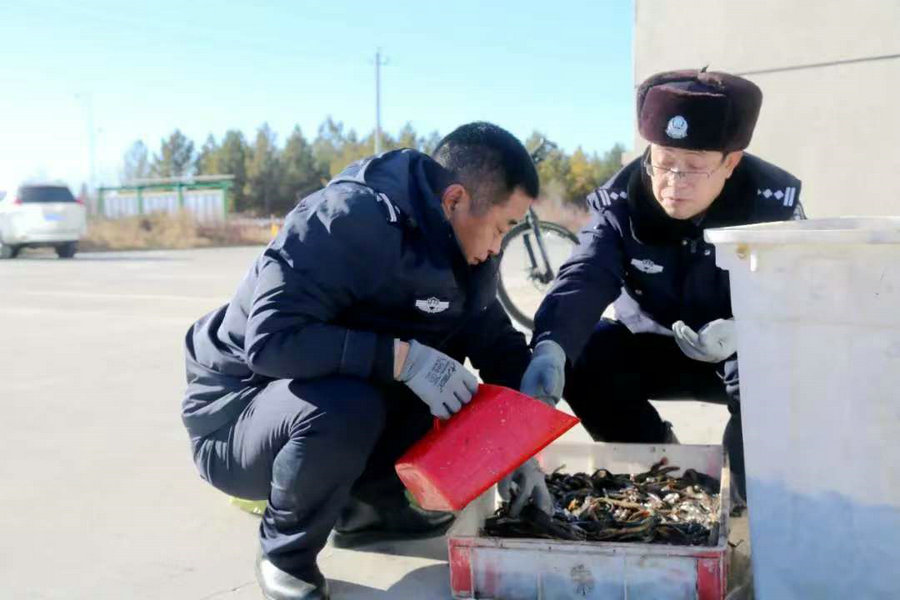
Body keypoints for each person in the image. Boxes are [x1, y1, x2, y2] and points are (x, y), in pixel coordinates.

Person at [181, 122, 546, 599]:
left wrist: (523, 452)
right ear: (455, 200)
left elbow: (497, 346)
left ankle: (370, 510)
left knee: (448, 389)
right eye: (500, 229)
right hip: (240, 416)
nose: (498, 247)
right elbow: (272, 342)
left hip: (326, 398)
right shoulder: (344, 219)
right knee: (352, 401)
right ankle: (284, 552)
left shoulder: (465, 252)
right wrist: (405, 360)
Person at [519, 69, 805, 506]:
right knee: (585, 352)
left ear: (731, 163)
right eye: (665, 161)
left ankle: (748, 493)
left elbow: (804, 295)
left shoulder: (772, 204)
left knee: (780, 373)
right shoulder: (622, 201)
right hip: (655, 345)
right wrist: (551, 347)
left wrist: (748, 329)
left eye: (695, 166)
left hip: (743, 354)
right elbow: (584, 275)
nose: (674, 181)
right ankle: (662, 470)